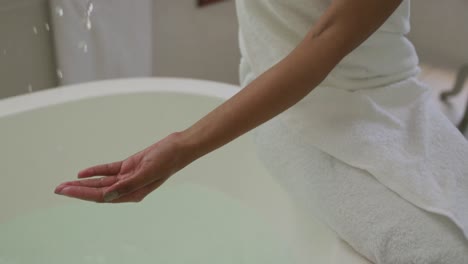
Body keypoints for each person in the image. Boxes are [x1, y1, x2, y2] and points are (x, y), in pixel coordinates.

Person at [54, 0, 468, 263]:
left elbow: (327, 36)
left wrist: (184, 145)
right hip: (294, 117)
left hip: (383, 97)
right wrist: (183, 146)